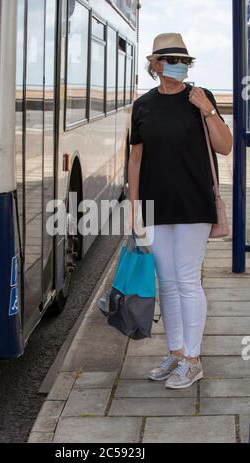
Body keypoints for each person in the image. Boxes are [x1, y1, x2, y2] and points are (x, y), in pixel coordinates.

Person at [128, 33, 232, 389]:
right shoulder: (142, 105)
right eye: (170, 59)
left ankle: (193, 358)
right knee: (167, 284)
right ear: (155, 65)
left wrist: (207, 109)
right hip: (155, 205)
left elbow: (225, 147)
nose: (177, 65)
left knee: (187, 280)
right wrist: (134, 207)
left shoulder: (200, 98)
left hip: (193, 203)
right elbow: (136, 158)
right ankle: (175, 352)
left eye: (183, 60)